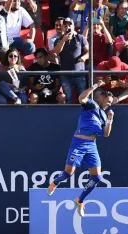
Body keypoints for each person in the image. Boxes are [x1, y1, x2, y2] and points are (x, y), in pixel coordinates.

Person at [46, 80, 115, 218]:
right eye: (108, 101)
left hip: (92, 146)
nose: (109, 104)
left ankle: (80, 200)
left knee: (96, 177)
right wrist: (95, 86)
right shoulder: (91, 105)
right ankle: (55, 182)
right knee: (68, 173)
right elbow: (81, 98)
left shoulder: (103, 114)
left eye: (111, 103)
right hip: (78, 142)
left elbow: (106, 134)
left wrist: (110, 120)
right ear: (101, 97)